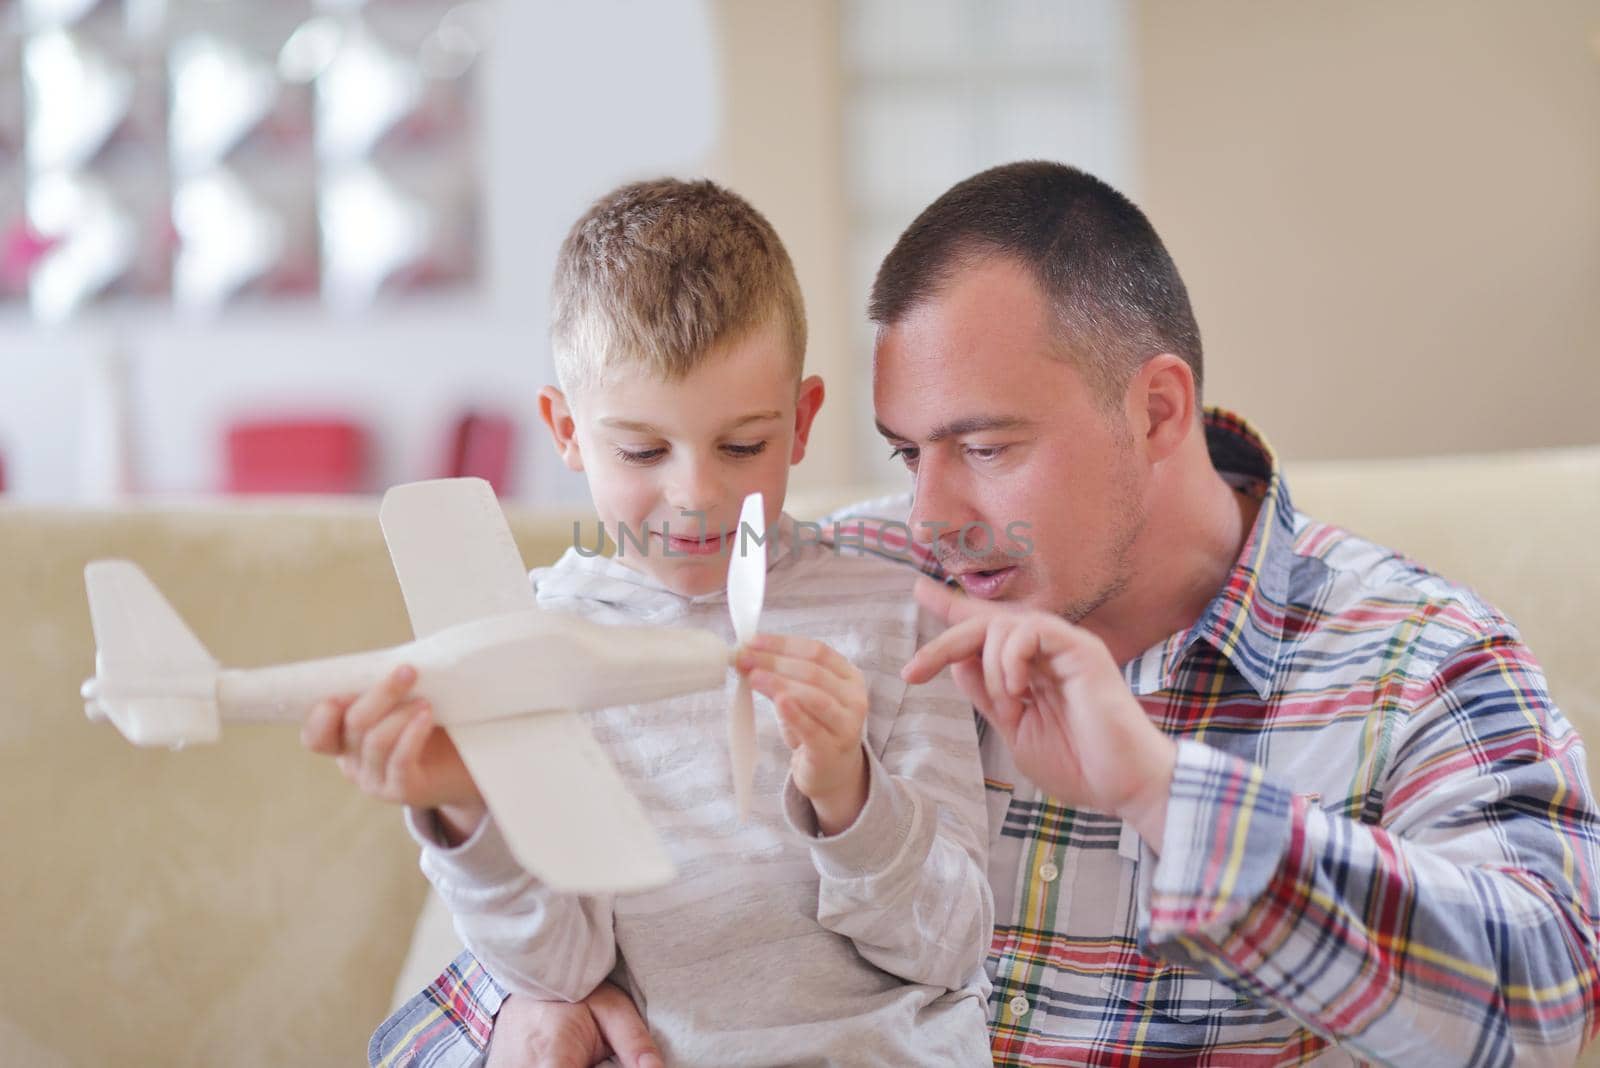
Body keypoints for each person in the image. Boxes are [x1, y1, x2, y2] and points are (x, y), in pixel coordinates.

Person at [368, 161, 1600, 1066]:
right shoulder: (817, 594)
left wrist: (1160, 791)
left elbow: (1549, 1003)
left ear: (1159, 410)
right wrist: (516, 1023)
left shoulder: (1414, 663)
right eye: (906, 453)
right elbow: (482, 967)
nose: (931, 510)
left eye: (986, 446)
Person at [303, 178, 996, 1066]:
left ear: (802, 420)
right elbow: (561, 966)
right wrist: (470, 816)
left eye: (742, 445)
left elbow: (954, 945)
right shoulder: (533, 637)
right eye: (640, 451)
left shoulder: (894, 609)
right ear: (564, 429)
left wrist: (849, 796)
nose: (695, 494)